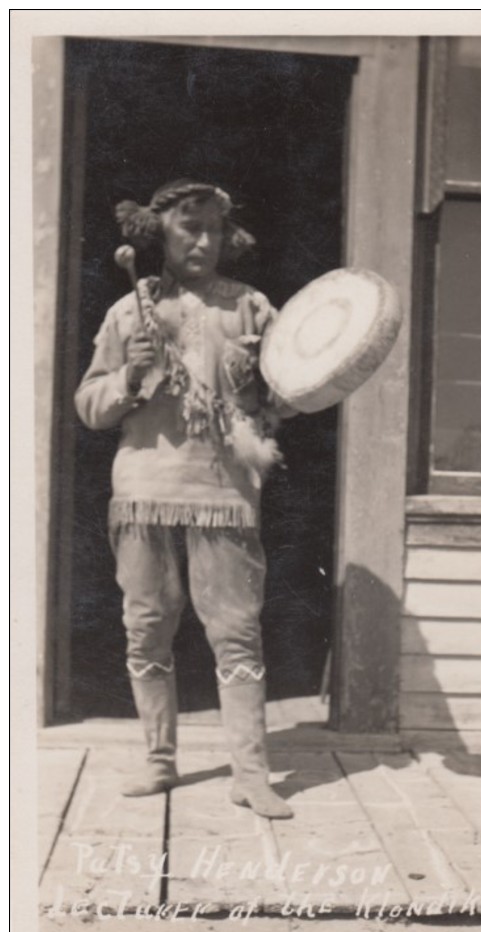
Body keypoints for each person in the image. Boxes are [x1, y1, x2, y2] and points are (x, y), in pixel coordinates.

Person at [74, 178, 294, 819]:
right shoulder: (129, 312)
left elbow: (295, 390)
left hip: (223, 492)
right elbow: (90, 407)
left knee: (236, 632)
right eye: (188, 227)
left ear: (229, 236)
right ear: (157, 232)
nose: (203, 240)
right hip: (144, 491)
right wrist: (131, 373)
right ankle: (159, 761)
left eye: (214, 229)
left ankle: (252, 775)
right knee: (146, 629)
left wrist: (267, 386)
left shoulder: (251, 308)